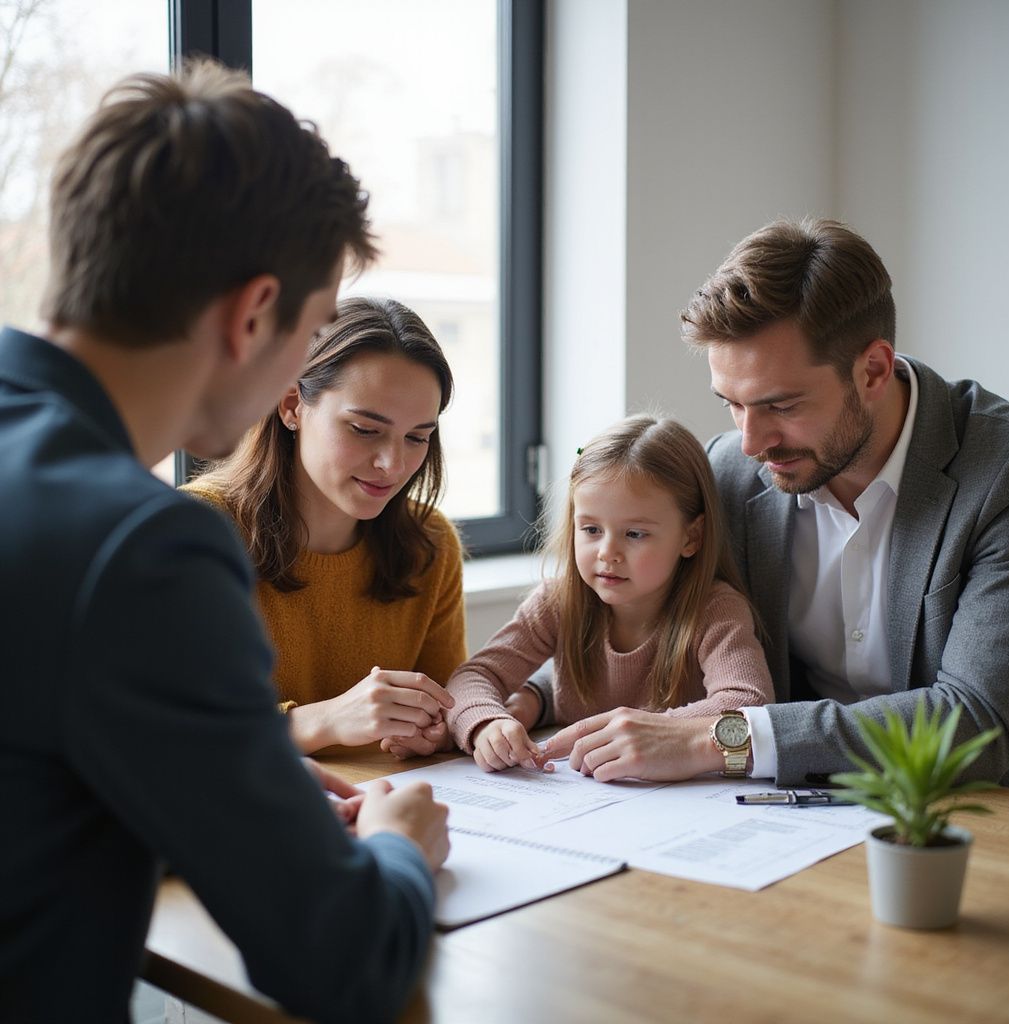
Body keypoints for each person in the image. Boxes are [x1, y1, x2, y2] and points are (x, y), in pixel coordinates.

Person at [0, 61, 450, 1024]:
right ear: (254, 318)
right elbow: (345, 963)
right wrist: (402, 842)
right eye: (315, 326)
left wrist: (225, 778)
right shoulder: (142, 548)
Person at [543, 218, 1009, 790]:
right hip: (778, 820)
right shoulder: (728, 471)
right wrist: (525, 696)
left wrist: (716, 738)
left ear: (872, 370)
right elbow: (634, 624)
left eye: (781, 405)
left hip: (968, 822)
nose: (751, 442)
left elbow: (976, 720)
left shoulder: (1005, 472)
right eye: (732, 404)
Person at [184, 295, 464, 758]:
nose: (392, 464)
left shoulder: (429, 545)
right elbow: (169, 730)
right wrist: (326, 720)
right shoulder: (198, 531)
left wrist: (441, 728)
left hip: (379, 809)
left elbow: (447, 710)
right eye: (364, 429)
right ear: (292, 404)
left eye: (417, 437)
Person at [445, 415, 773, 775]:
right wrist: (486, 724)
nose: (607, 553)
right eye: (590, 529)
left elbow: (748, 703)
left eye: (634, 534)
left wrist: (646, 731)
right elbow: (474, 676)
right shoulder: (558, 602)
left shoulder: (715, 610)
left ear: (691, 537)